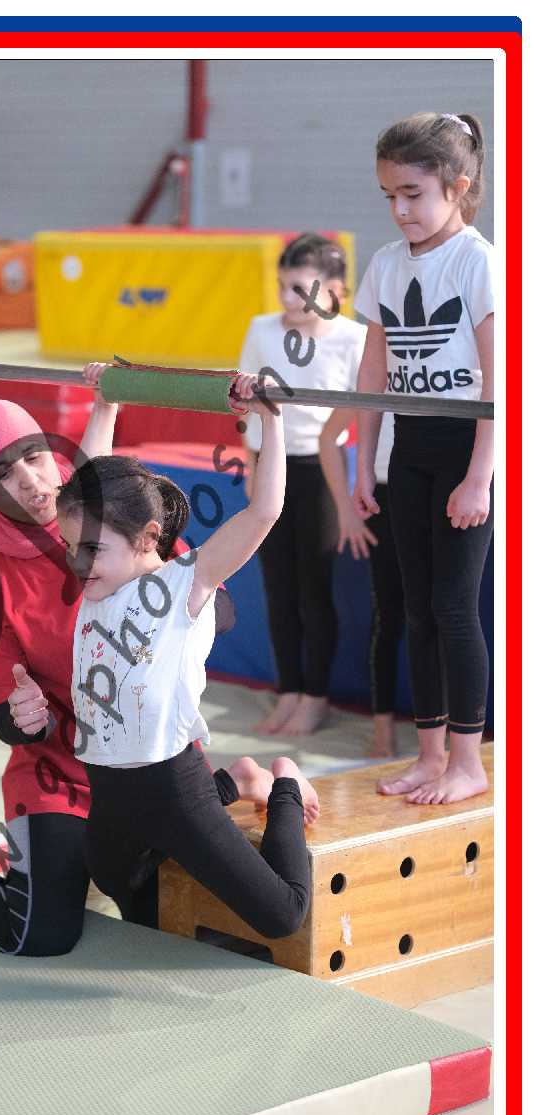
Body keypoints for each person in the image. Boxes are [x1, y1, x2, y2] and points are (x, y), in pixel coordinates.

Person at [0, 370, 248, 955]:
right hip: (59, 779)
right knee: (41, 936)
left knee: (183, 916)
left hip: (152, 764)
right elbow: (5, 715)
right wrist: (24, 716)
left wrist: (189, 605)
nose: (28, 480)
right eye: (2, 473)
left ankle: (237, 782)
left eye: (33, 456)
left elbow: (220, 613)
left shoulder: (117, 517)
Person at [51, 374, 318, 936]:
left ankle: (284, 782)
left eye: (90, 549)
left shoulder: (183, 585)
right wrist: (105, 403)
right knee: (119, 882)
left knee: (282, 916)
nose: (76, 562)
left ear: (148, 537)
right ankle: (236, 780)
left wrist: (270, 419)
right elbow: (87, 481)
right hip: (108, 785)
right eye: (72, 547)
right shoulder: (98, 580)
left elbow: (264, 510)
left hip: (173, 786)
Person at [353, 111, 494, 804]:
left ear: (458, 187)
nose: (400, 209)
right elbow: (372, 373)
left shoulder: (477, 260)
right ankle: (431, 755)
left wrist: (480, 477)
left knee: (454, 608)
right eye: (389, 196)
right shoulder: (385, 264)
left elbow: (501, 383)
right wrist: (363, 464)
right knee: (416, 610)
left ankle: (469, 762)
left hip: (466, 447)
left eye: (413, 193)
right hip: (407, 449)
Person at [238, 233, 367, 735]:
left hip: (319, 470)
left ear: (334, 289)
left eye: (299, 289)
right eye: (281, 287)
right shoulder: (261, 329)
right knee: (278, 586)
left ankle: (315, 696)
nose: (287, 300)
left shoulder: (353, 338)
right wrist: (252, 469)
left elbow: (362, 415)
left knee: (314, 587)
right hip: (269, 464)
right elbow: (245, 404)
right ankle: (288, 690)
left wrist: (353, 492)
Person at [320, 410, 405, 758]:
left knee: (440, 617)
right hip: (383, 492)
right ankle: (383, 727)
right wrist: (346, 509)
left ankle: (444, 730)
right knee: (387, 615)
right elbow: (329, 436)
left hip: (438, 484)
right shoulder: (372, 379)